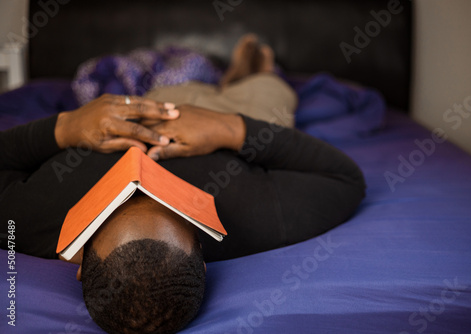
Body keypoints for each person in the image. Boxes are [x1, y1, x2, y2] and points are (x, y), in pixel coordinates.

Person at [0, 35, 366, 334]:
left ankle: (223, 74)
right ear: (204, 259)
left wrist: (64, 128)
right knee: (268, 88)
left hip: (144, 107)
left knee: (130, 86)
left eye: (115, 209)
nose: (142, 185)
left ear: (80, 264)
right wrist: (232, 129)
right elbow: (343, 178)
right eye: (167, 204)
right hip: (235, 119)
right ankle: (250, 72)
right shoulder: (254, 220)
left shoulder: (28, 220)